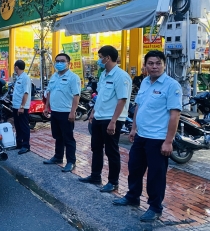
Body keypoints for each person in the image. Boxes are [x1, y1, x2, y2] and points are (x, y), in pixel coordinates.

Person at [113, 50, 181, 222]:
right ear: (145, 65)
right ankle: (133, 196)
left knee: (155, 175)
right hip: (141, 136)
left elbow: (175, 115)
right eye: (150, 63)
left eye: (158, 63)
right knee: (134, 169)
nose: (154, 66)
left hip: (158, 139)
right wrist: (134, 128)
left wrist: (168, 141)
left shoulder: (172, 85)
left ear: (164, 65)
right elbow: (138, 107)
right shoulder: (144, 82)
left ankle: (155, 207)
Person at [79, 45, 132, 193]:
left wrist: (113, 121)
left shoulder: (121, 76)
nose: (98, 60)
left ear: (107, 58)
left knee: (111, 151)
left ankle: (113, 182)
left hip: (111, 118)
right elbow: (101, 96)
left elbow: (122, 100)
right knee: (96, 148)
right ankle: (95, 176)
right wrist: (93, 112)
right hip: (99, 116)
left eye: (100, 56)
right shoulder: (103, 74)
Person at [43, 53, 81, 173]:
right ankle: (58, 157)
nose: (59, 63)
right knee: (57, 136)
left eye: (62, 61)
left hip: (66, 112)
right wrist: (46, 106)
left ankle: (71, 162)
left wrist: (72, 112)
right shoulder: (54, 76)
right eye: (57, 61)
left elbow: (76, 95)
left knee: (68, 138)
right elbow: (49, 92)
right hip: (55, 111)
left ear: (68, 63)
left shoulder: (73, 77)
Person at [12, 60, 32, 155]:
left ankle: (26, 145)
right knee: (18, 126)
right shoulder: (18, 77)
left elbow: (26, 93)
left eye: (14, 67)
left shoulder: (25, 78)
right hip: (16, 106)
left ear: (16, 67)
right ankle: (19, 143)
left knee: (24, 126)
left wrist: (22, 106)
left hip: (22, 107)